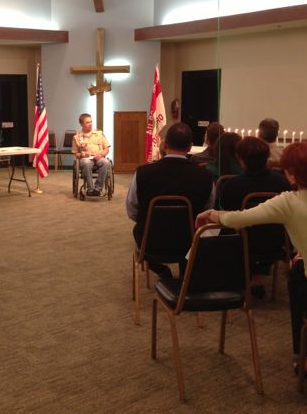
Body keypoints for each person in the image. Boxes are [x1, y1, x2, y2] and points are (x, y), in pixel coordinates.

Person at [197, 141, 307, 385]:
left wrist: (211, 215)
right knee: (301, 266)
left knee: (297, 276)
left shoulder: (289, 202)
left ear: (293, 174)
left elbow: (240, 219)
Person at [126, 122, 214, 277]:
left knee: (137, 229)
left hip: (151, 242)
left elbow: (132, 210)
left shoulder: (142, 173)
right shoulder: (205, 176)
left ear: (165, 145)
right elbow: (208, 211)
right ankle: (186, 276)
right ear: (190, 147)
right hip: (190, 242)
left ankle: (160, 270)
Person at [219, 136, 293, 297]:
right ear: (267, 157)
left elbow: (226, 210)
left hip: (241, 241)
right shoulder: (282, 183)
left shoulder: (231, 185)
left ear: (240, 160)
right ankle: (258, 277)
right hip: (274, 241)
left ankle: (238, 277)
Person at [71, 113, 111, 196]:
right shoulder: (77, 137)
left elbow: (107, 148)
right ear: (81, 124)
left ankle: (98, 188)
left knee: (106, 162)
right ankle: (90, 189)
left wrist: (101, 154)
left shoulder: (99, 134)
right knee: (87, 163)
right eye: (87, 122)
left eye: (91, 122)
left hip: (99, 157)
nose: (90, 124)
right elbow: (76, 153)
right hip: (85, 159)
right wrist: (82, 155)